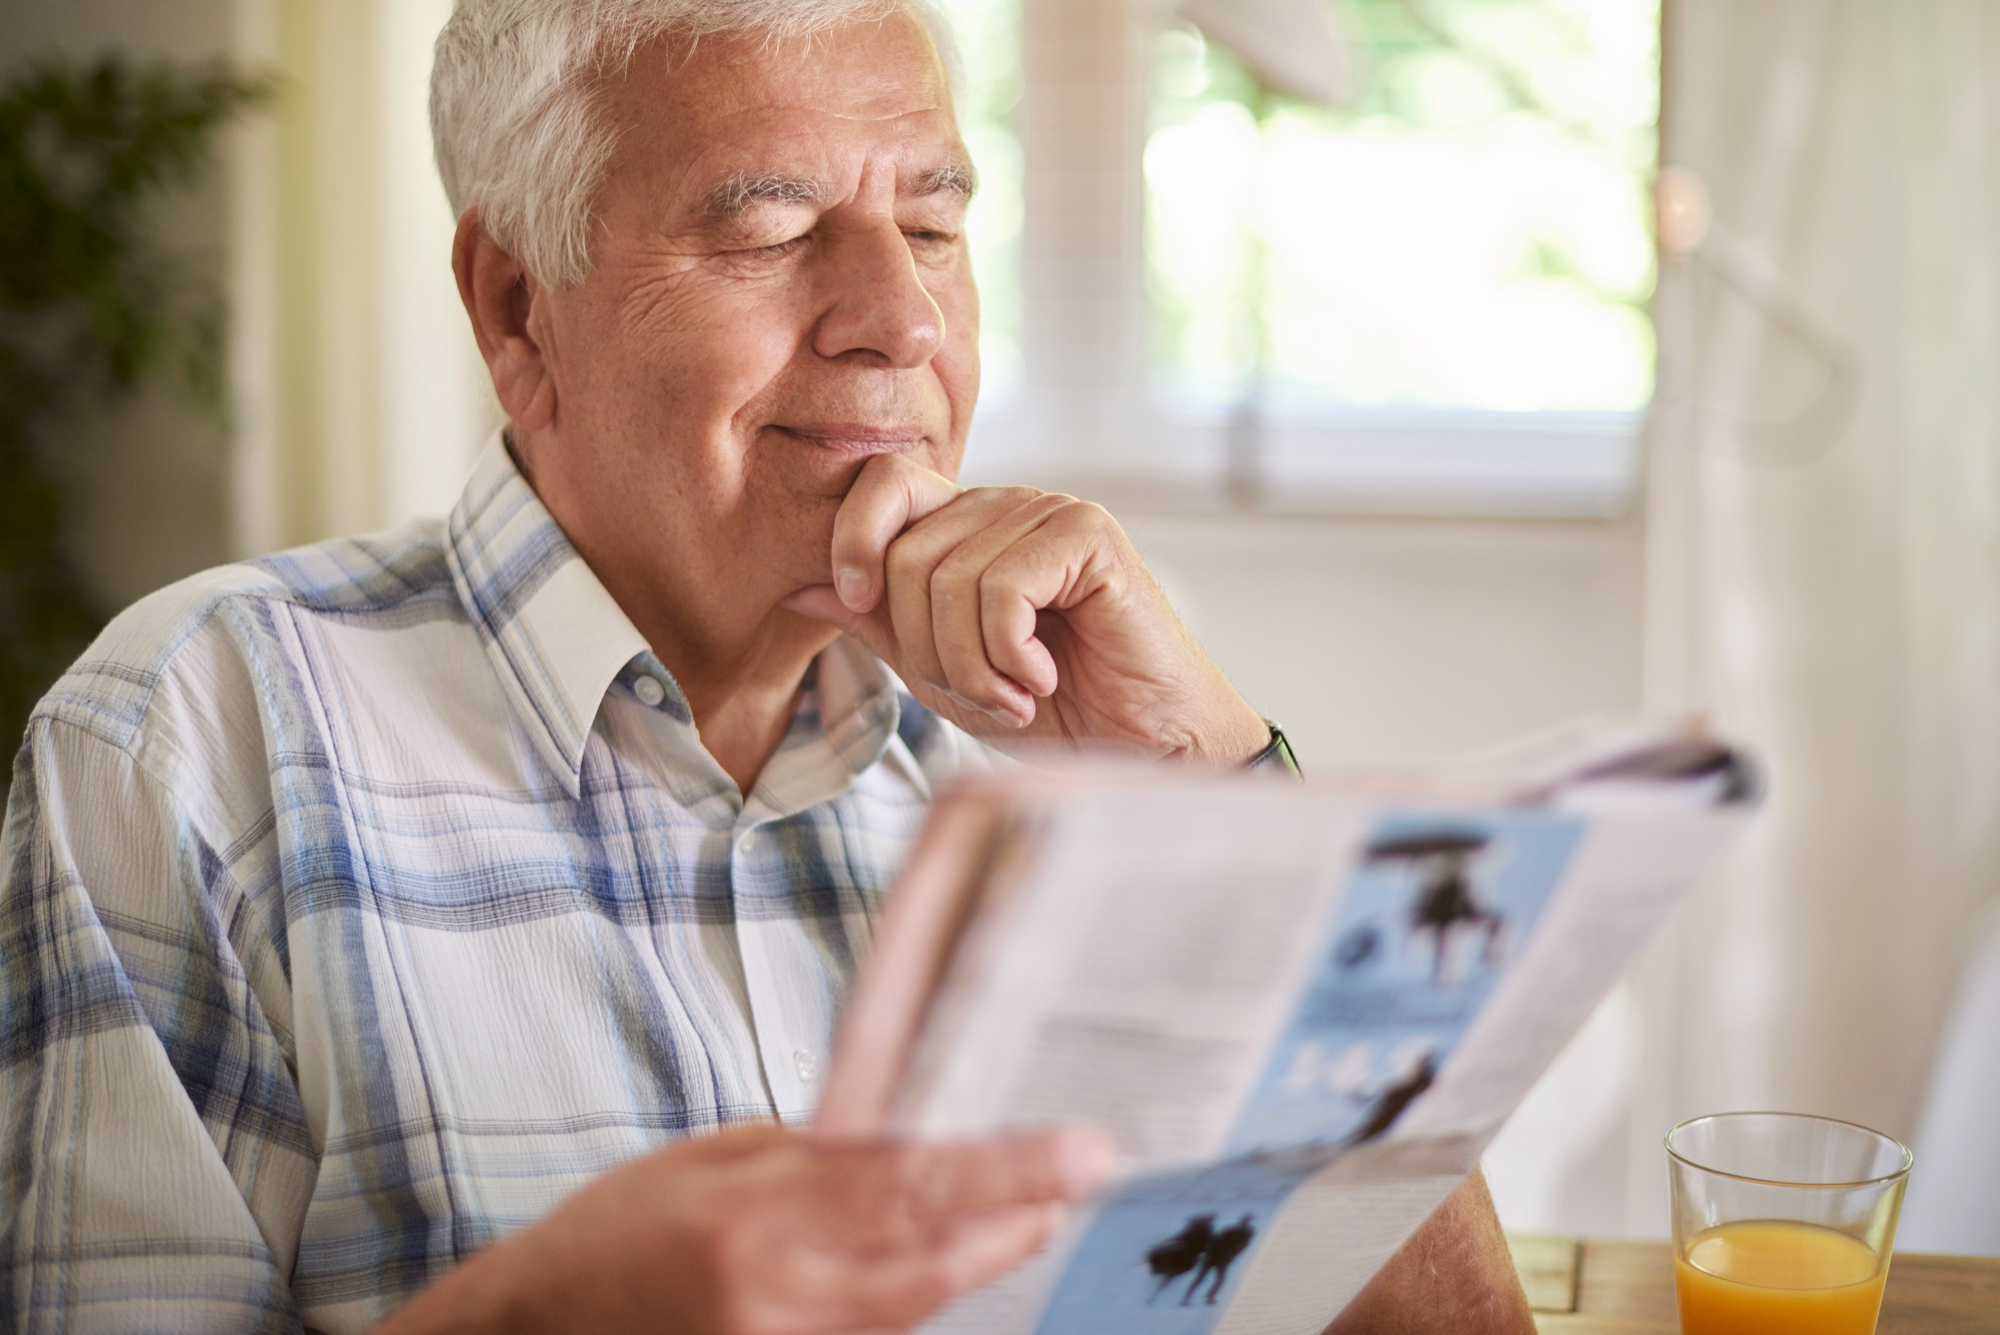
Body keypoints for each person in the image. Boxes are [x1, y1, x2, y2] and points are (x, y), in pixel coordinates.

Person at [0, 2, 1536, 1331]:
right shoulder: (190, 740)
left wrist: (1216, 797)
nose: (903, 318)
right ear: (517, 307)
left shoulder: (1065, 752)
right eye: (771, 232)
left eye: (933, 226)